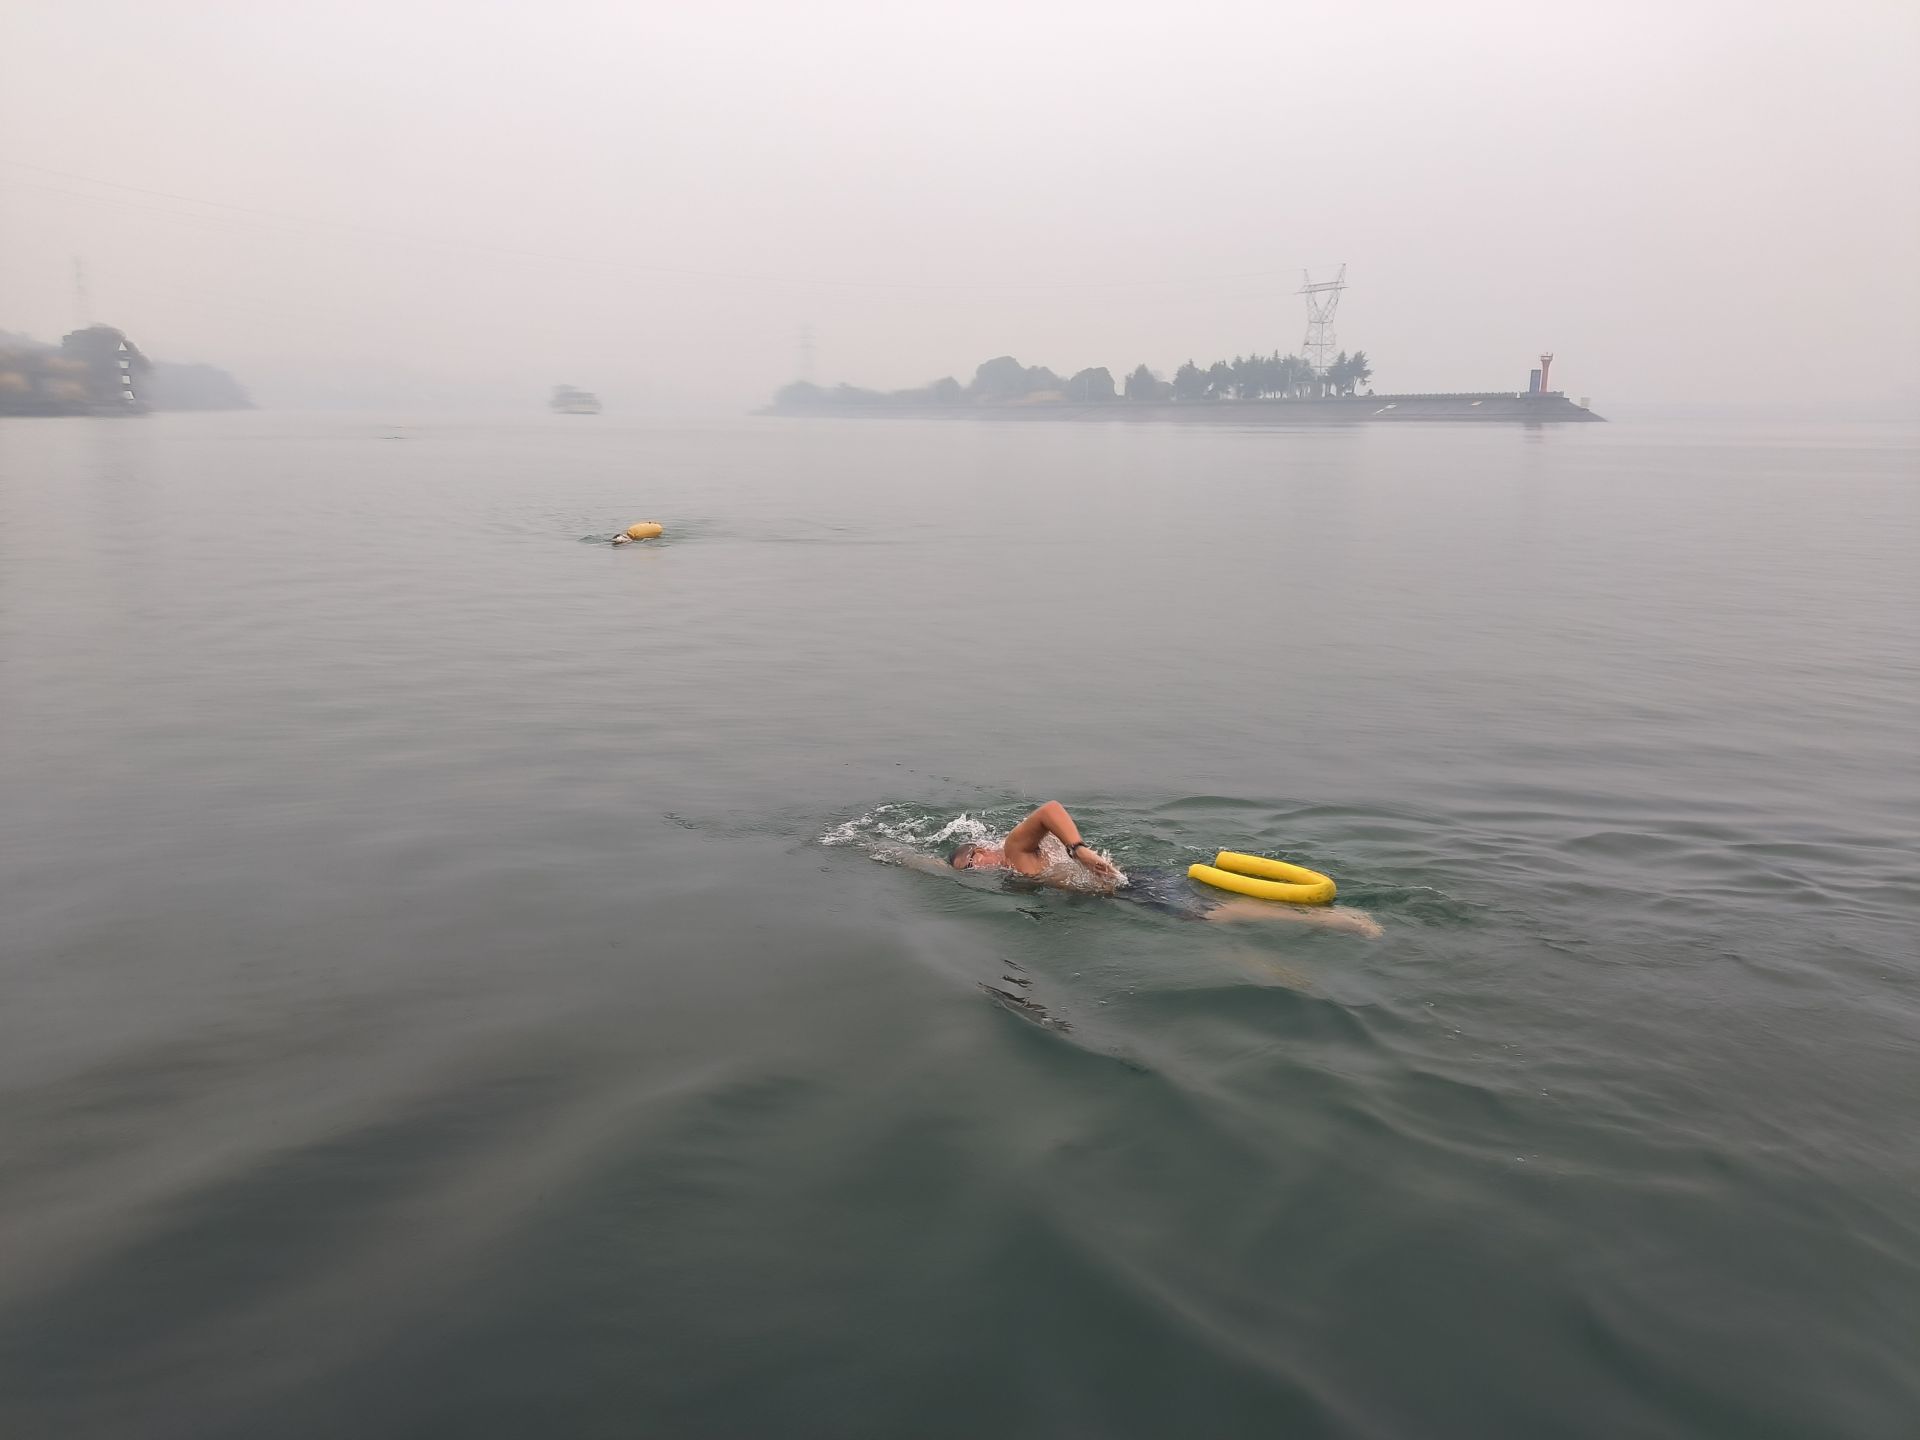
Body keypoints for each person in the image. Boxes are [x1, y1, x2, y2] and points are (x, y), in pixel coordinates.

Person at [948, 801, 1382, 936]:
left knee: (1217, 916)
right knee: (1214, 907)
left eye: (970, 862)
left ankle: (1334, 921)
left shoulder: (1016, 853)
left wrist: (1079, 850)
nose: (974, 870)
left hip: (1129, 889)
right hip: (1134, 878)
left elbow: (1049, 809)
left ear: (980, 850)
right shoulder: (1017, 870)